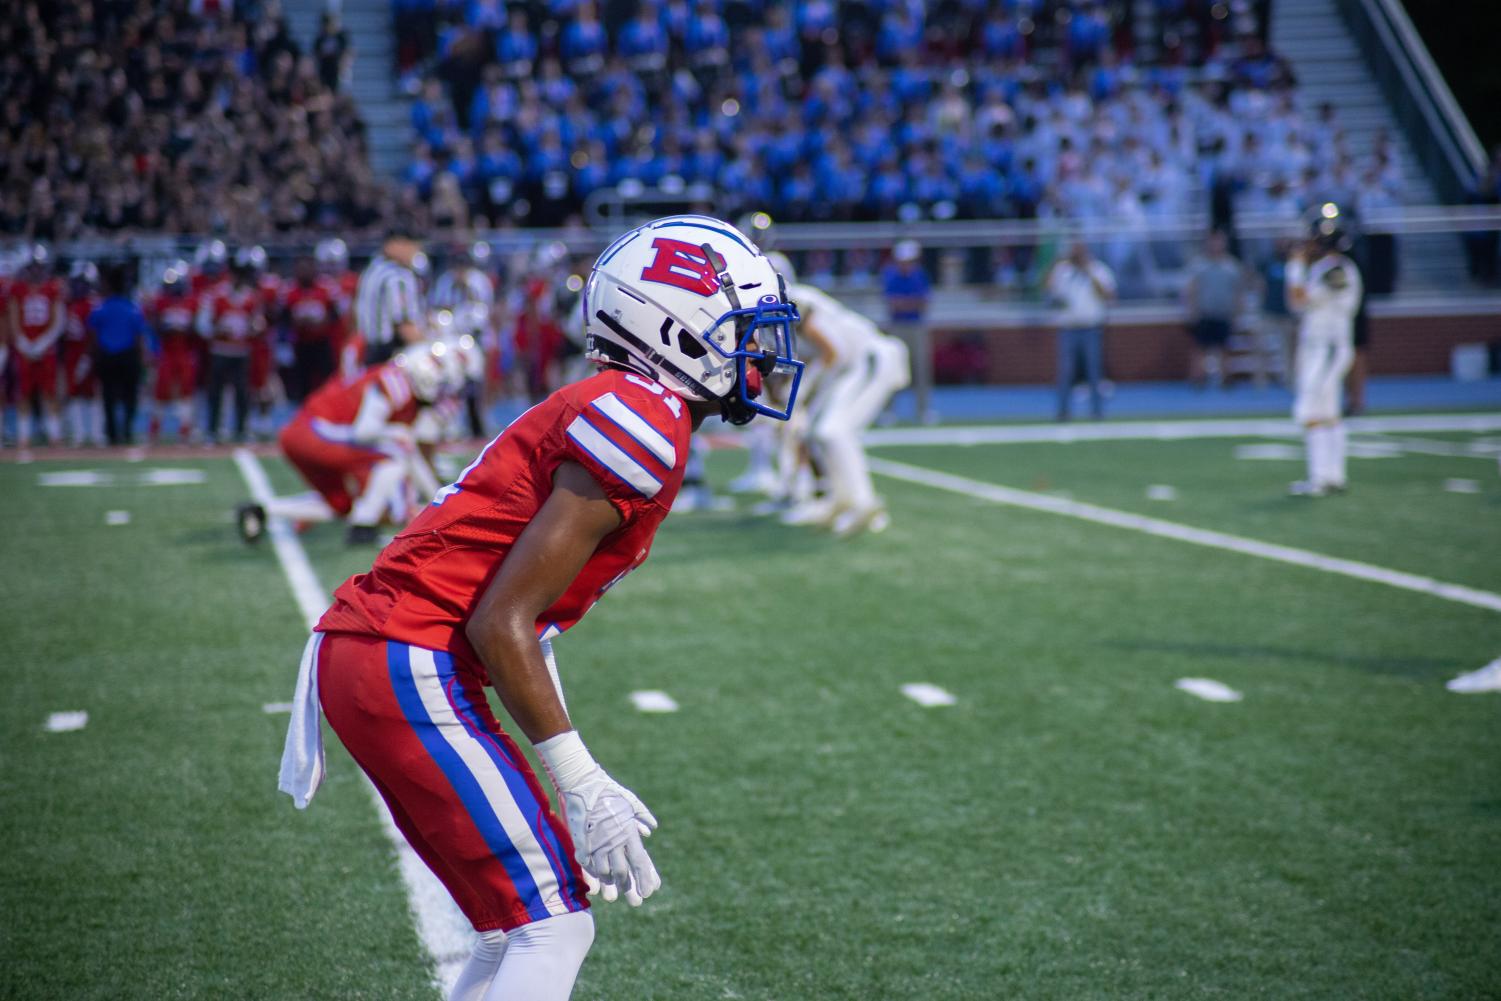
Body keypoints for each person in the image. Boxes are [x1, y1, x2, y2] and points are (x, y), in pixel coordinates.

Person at [276, 215, 802, 1001]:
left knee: (512, 929)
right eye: (742, 331)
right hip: (409, 652)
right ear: (676, 327)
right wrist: (578, 778)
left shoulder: (632, 405)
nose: (757, 356)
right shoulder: (644, 419)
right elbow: (499, 621)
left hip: (386, 651)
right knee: (553, 925)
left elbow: (519, 619)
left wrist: (577, 772)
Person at [240, 342, 461, 546]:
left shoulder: (400, 385)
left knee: (342, 504)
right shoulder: (395, 383)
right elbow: (364, 432)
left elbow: (408, 450)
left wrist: (437, 500)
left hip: (307, 435)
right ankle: (363, 525)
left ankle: (262, 511)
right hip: (314, 432)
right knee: (394, 452)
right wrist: (436, 502)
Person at [781, 272, 910, 536]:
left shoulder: (794, 301)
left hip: (870, 359)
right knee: (818, 431)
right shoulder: (791, 300)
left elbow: (832, 352)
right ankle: (841, 501)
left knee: (834, 431)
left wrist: (806, 387)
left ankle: (864, 505)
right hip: (854, 366)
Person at [1287, 206, 1363, 497]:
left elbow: (1297, 300)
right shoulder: (1335, 268)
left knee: (1311, 410)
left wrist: (1294, 268)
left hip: (1326, 347)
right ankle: (1333, 476)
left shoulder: (1335, 269)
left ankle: (1319, 478)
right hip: (1329, 346)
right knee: (1329, 412)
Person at [197, 254, 266, 444]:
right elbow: (202, 324)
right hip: (220, 350)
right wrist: (217, 330)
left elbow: (259, 322)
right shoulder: (216, 295)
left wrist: (254, 329)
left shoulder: (251, 297)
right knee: (215, 392)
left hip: (241, 351)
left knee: (242, 392)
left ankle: (241, 430)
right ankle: (212, 430)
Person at [1045, 241, 1117, 422]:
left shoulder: (1098, 269)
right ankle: (1063, 412)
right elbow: (1048, 288)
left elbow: (1108, 295)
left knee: (1094, 371)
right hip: (1068, 328)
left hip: (1091, 327)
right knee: (1065, 372)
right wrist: (1056, 263)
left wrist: (1088, 272)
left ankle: (1096, 411)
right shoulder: (1063, 270)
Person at [8, 245, 66, 448]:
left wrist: (43, 343)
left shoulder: (52, 288)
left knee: (49, 392)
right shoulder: (18, 289)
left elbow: (59, 320)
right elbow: (13, 316)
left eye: (39, 266)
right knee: (23, 392)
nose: (36, 271)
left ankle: (54, 435)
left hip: (46, 347)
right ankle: (23, 436)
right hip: (25, 347)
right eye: (33, 266)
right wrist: (23, 342)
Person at [87, 263, 152, 446]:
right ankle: (127, 431)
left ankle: (112, 434)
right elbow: (139, 337)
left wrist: (92, 357)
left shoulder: (101, 309)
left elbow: (92, 337)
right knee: (130, 396)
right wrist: (142, 359)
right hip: (128, 356)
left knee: (108, 396)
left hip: (107, 356)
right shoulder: (132, 308)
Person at [1183, 229, 1246, 390]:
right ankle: (1198, 379)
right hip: (1205, 312)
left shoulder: (1231, 266)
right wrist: (1191, 310)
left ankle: (1226, 379)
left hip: (1224, 313)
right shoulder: (1199, 265)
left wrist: (1238, 311)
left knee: (1224, 348)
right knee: (1200, 349)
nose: (1216, 245)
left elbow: (1238, 290)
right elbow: (1192, 289)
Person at [355, 228, 427, 366]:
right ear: (396, 244)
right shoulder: (398, 276)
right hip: (388, 354)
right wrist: (428, 347)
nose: (415, 252)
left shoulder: (372, 269)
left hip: (365, 350)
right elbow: (404, 325)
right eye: (412, 246)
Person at [881, 240, 934, 424]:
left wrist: (906, 303)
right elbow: (893, 304)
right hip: (898, 325)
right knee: (892, 368)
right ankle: (889, 411)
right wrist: (910, 303)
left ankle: (923, 410)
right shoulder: (891, 275)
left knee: (921, 369)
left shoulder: (919, 275)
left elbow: (924, 303)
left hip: (916, 325)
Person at [147, 263, 200, 443]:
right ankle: (155, 427)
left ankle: (185, 428)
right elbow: (155, 326)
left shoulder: (191, 302)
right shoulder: (161, 302)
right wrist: (168, 327)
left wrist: (183, 328)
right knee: (161, 389)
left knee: (186, 389)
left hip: (185, 351)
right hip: (167, 351)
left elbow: (196, 330)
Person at [283, 255, 343, 402]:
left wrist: (322, 322)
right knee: (303, 382)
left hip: (322, 343)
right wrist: (299, 322)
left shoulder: (325, 288)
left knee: (326, 379)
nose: (305, 272)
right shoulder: (290, 291)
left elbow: (335, 315)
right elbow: (283, 317)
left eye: (307, 268)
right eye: (301, 269)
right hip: (301, 343)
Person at [62, 260, 102, 447]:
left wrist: (87, 356)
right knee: (73, 393)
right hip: (72, 353)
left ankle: (96, 434)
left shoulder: (93, 305)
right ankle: (78, 435)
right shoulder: (68, 303)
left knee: (92, 393)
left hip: (89, 354)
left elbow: (95, 334)